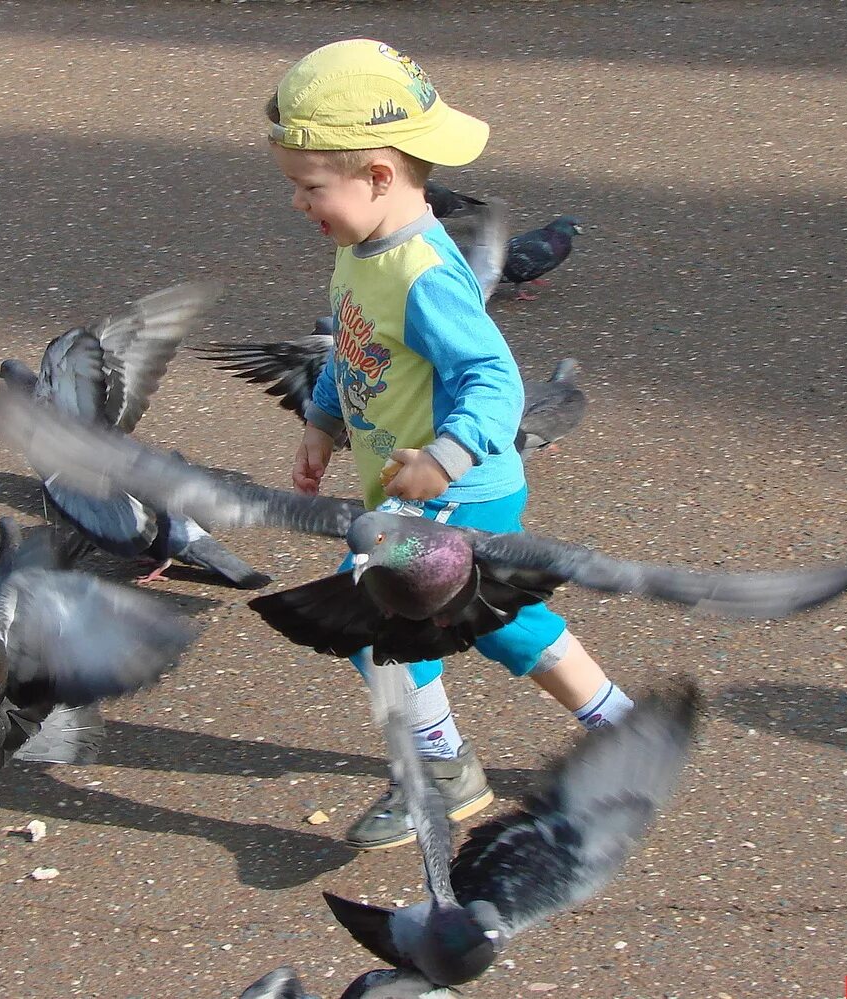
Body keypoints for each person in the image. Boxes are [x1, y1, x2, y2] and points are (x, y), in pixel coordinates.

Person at [267, 38, 635, 850]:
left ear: (377, 177)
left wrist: (442, 459)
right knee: (499, 618)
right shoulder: (360, 250)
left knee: (374, 619)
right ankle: (619, 723)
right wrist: (324, 423)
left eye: (309, 187)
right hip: (445, 492)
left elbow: (495, 381)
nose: (299, 203)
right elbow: (354, 348)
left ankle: (444, 770)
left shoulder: (422, 273)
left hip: (452, 493)